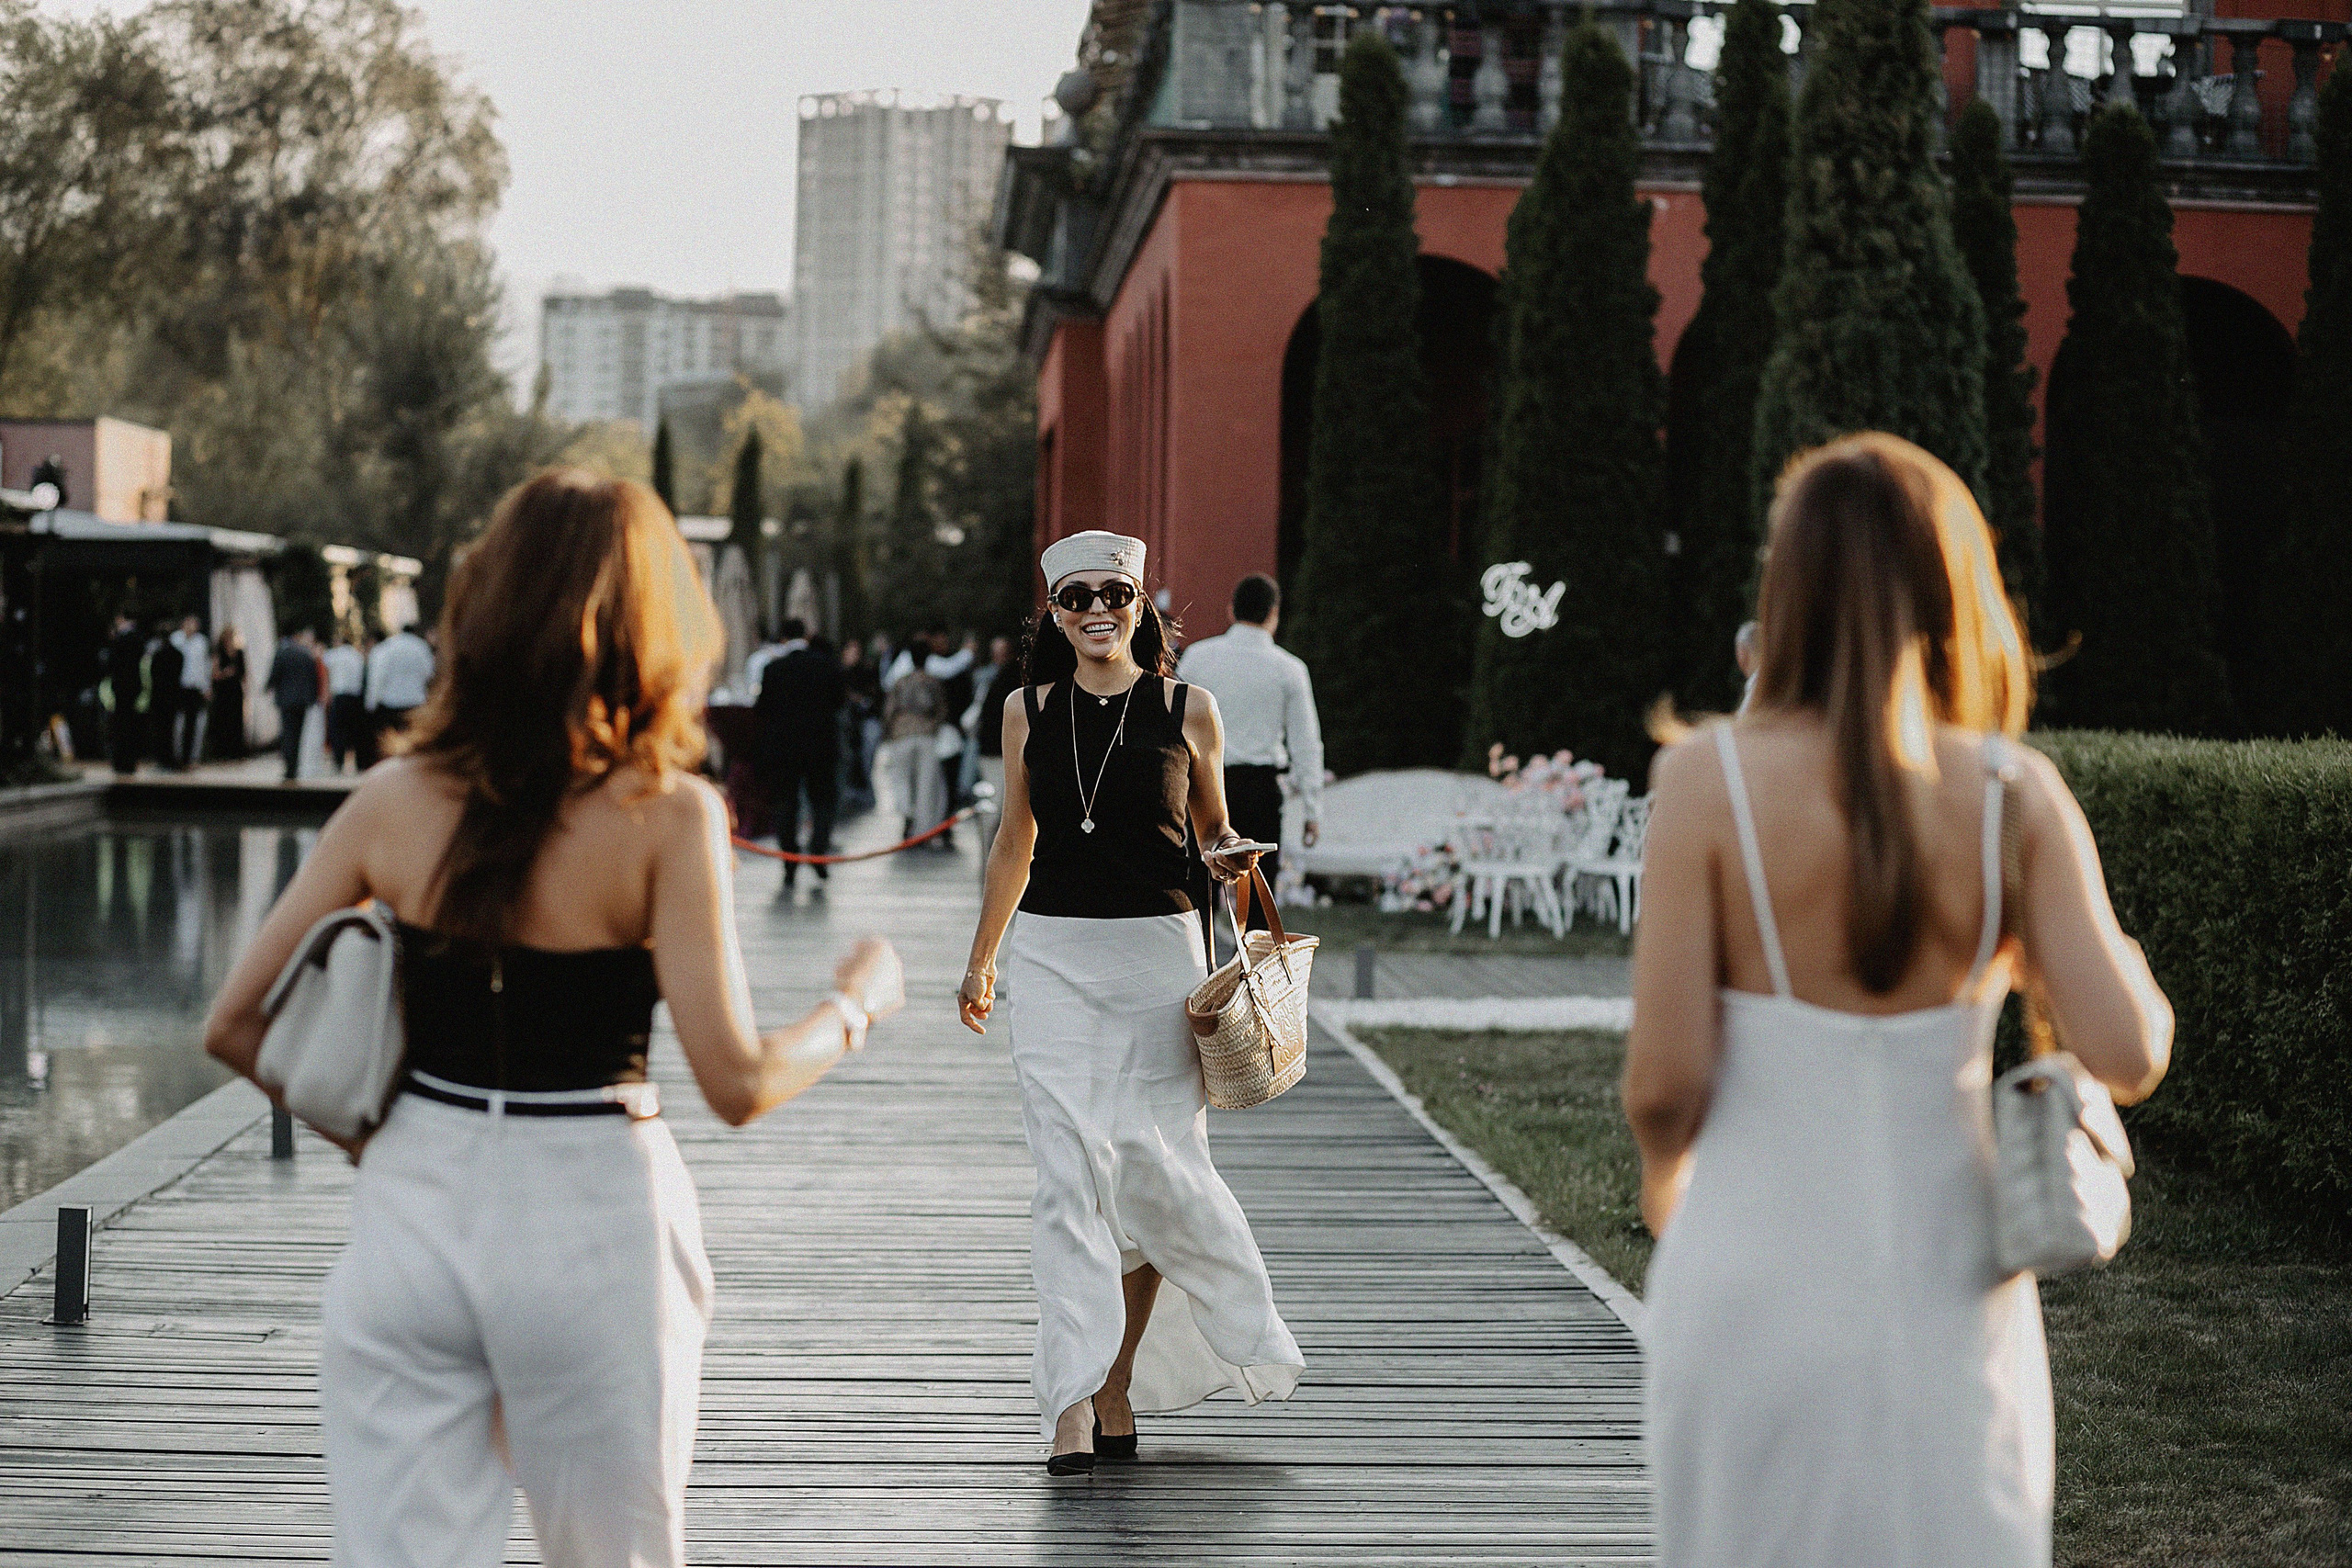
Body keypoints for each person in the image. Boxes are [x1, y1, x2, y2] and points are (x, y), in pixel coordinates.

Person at [200, 469, 902, 1565]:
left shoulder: (392, 800)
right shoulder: (666, 818)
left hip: (413, 1212)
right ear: (655, 620)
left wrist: (390, 1146)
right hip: (596, 1219)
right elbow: (738, 1084)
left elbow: (235, 1024)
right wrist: (856, 1003)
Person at [1623, 434, 2173, 1568]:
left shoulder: (1702, 781)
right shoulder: (2014, 796)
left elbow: (1666, 1081)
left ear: (1786, 590)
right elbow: (2127, 1048)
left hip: (1747, 1271)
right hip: (1952, 1283)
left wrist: (1665, 1185)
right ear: (1953, 588)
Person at [958, 530, 1304, 1476]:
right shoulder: (1025, 710)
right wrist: (982, 961)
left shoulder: (1191, 708)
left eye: (1113, 592)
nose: (1096, 610)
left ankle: (1117, 1385)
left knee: (1150, 1178)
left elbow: (1212, 825)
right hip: (1055, 956)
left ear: (1141, 602)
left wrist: (1234, 852)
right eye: (1075, 597)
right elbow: (1011, 845)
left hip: (1161, 959)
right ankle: (1071, 1402)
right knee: (1068, 1177)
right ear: (1054, 614)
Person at [1175, 573, 1325, 922]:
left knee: (1198, 893)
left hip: (1200, 785)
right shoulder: (1290, 670)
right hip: (1260, 789)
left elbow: (1172, 725)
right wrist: (1313, 809)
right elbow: (1305, 743)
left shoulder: (1197, 658)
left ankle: (1200, 969)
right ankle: (1257, 972)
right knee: (1258, 897)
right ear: (1274, 614)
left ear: (1231, 610)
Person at [753, 617, 846, 890]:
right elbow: (839, 702)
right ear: (805, 636)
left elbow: (762, 709)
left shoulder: (773, 669)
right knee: (823, 802)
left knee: (785, 804)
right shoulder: (827, 666)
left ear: (783, 638)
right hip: (821, 746)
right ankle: (818, 850)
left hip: (784, 748)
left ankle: (790, 859)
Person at [876, 655, 945, 842]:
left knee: (901, 779)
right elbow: (941, 709)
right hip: (926, 734)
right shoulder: (933, 682)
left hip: (902, 734)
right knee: (926, 785)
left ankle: (908, 813)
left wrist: (887, 732)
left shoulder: (901, 682)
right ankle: (922, 831)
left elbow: (889, 709)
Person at [969, 635, 1020, 858]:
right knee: (995, 813)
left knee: (996, 813)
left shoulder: (1001, 677)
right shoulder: (1005, 677)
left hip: (995, 750)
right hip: (995, 752)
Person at [366, 619, 435, 755]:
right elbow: (429, 673)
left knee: (390, 744)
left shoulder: (387, 647)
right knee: (411, 742)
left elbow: (378, 676)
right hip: (415, 701)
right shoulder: (421, 647)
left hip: (390, 702)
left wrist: (371, 702)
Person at [267, 628, 322, 784]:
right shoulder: (306, 654)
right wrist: (312, 697)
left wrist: (268, 687)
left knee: (288, 733)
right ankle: (294, 765)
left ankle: (289, 766)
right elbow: (313, 678)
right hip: (302, 701)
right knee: (297, 734)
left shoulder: (282, 652)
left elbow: (274, 674)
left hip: (286, 700)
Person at [101, 611, 145, 775]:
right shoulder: (138, 638)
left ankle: (122, 761)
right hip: (132, 686)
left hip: (122, 686)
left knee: (121, 726)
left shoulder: (122, 639)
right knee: (130, 725)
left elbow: (112, 662)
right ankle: (129, 761)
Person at [323, 631, 368, 773]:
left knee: (338, 730)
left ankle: (339, 762)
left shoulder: (333, 655)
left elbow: (323, 665)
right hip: (355, 697)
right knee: (355, 731)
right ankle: (360, 763)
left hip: (339, 696)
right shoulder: (357, 656)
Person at [169, 615, 210, 769]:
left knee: (194, 724)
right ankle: (177, 755)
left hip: (195, 687)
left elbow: (205, 665)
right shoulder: (176, 639)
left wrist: (206, 686)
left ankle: (191, 757)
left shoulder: (201, 642)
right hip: (180, 687)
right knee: (178, 723)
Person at [208, 626, 248, 760]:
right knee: (223, 720)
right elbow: (214, 674)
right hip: (223, 690)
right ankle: (223, 751)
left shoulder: (239, 653)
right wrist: (225, 673)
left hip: (235, 690)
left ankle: (236, 751)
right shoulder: (219, 652)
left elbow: (244, 674)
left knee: (236, 720)